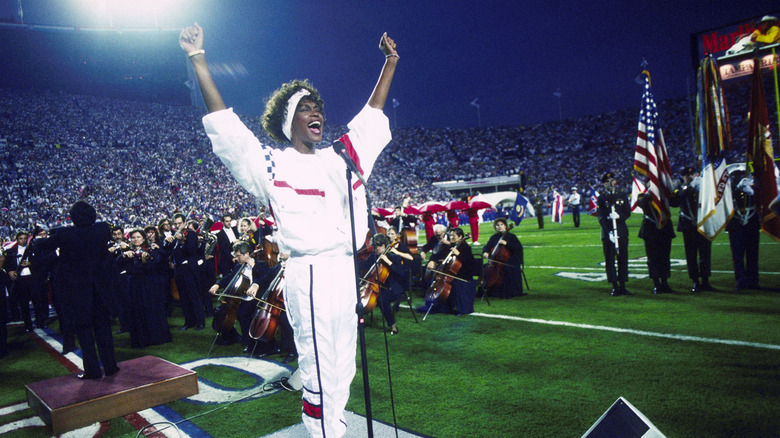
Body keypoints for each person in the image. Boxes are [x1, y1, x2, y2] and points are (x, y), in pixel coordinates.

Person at [180, 22, 398, 437]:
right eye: (304, 108)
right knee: (318, 364)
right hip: (309, 271)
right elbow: (229, 131)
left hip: (345, 269)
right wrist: (198, 59)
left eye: (317, 107)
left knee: (344, 364)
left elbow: (370, 118)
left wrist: (390, 62)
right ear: (287, 120)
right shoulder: (274, 164)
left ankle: (335, 427)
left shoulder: (342, 159)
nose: (316, 112)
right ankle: (323, 433)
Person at [36, 200, 119, 379]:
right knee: (103, 328)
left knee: (84, 330)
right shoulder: (102, 229)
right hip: (100, 290)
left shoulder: (64, 234)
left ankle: (92, 371)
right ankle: (111, 366)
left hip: (78, 292)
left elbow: (41, 245)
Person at [116, 229, 172, 348]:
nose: (136, 239)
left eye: (138, 237)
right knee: (137, 310)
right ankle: (141, 338)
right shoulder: (128, 252)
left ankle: (155, 337)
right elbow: (117, 264)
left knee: (151, 309)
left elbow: (156, 265)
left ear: (143, 238)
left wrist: (146, 260)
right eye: (133, 237)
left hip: (149, 284)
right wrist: (123, 255)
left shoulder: (151, 249)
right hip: (135, 286)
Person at [669, 167, 713, 293]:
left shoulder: (704, 187)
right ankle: (695, 281)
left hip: (703, 223)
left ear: (696, 175)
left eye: (691, 175)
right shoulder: (683, 189)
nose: (688, 177)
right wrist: (677, 189)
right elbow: (674, 203)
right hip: (688, 225)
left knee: (705, 253)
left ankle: (705, 281)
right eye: (686, 176)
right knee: (691, 255)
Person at [421, 228, 480, 315]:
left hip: (463, 275)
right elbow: (436, 255)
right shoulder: (449, 247)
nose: (451, 237)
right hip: (450, 274)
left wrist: (459, 254)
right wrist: (432, 261)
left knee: (454, 284)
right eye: (450, 235)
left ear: (460, 237)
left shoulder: (466, 248)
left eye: (454, 235)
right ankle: (437, 304)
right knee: (433, 278)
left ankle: (459, 309)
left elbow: (470, 264)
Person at [359, 234, 408, 335]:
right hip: (378, 287)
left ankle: (392, 325)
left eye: (376, 247)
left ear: (383, 246)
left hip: (393, 288)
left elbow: (401, 273)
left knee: (381, 299)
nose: (374, 250)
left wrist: (388, 262)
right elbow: (364, 264)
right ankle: (358, 321)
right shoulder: (374, 256)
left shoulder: (394, 257)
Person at [636, 189, 676, 294]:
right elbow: (641, 204)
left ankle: (665, 282)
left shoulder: (665, 193)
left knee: (665, 257)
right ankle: (656, 284)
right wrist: (651, 193)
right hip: (650, 230)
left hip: (665, 229)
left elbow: (675, 203)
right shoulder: (643, 196)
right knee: (652, 258)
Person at [597, 172, 631, 296]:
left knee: (623, 259)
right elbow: (600, 217)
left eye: (611, 181)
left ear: (615, 182)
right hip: (608, 233)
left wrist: (619, 216)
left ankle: (623, 285)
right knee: (610, 260)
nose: (609, 183)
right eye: (606, 182)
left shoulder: (621, 195)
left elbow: (627, 212)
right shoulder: (601, 197)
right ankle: (614, 286)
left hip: (621, 231)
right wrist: (609, 232)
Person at [726, 171, 760, 290]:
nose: (738, 178)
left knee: (752, 254)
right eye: (736, 177)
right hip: (736, 226)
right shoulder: (730, 191)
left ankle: (753, 280)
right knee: (738, 256)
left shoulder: (752, 190)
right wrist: (736, 190)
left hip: (751, 225)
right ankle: (740, 280)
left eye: (741, 176)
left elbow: (762, 201)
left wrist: (753, 192)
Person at [482, 218, 525, 298]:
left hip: (511, 260)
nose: (500, 227)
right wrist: (485, 252)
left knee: (506, 268)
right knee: (485, 268)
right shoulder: (493, 237)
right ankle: (489, 289)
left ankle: (506, 291)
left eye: (502, 225)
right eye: (497, 225)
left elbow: (518, 248)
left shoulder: (511, 236)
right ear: (495, 227)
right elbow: (487, 246)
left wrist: (506, 243)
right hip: (496, 262)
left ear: (505, 226)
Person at [5, 230, 34, 331]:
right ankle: (28, 325)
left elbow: (40, 261)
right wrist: (10, 271)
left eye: (25, 238)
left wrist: (31, 264)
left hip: (32, 278)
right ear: (17, 240)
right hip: (20, 279)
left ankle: (40, 322)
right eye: (21, 239)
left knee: (37, 300)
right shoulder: (11, 251)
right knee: (24, 303)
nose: (23, 241)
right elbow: (6, 264)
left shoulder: (32, 249)